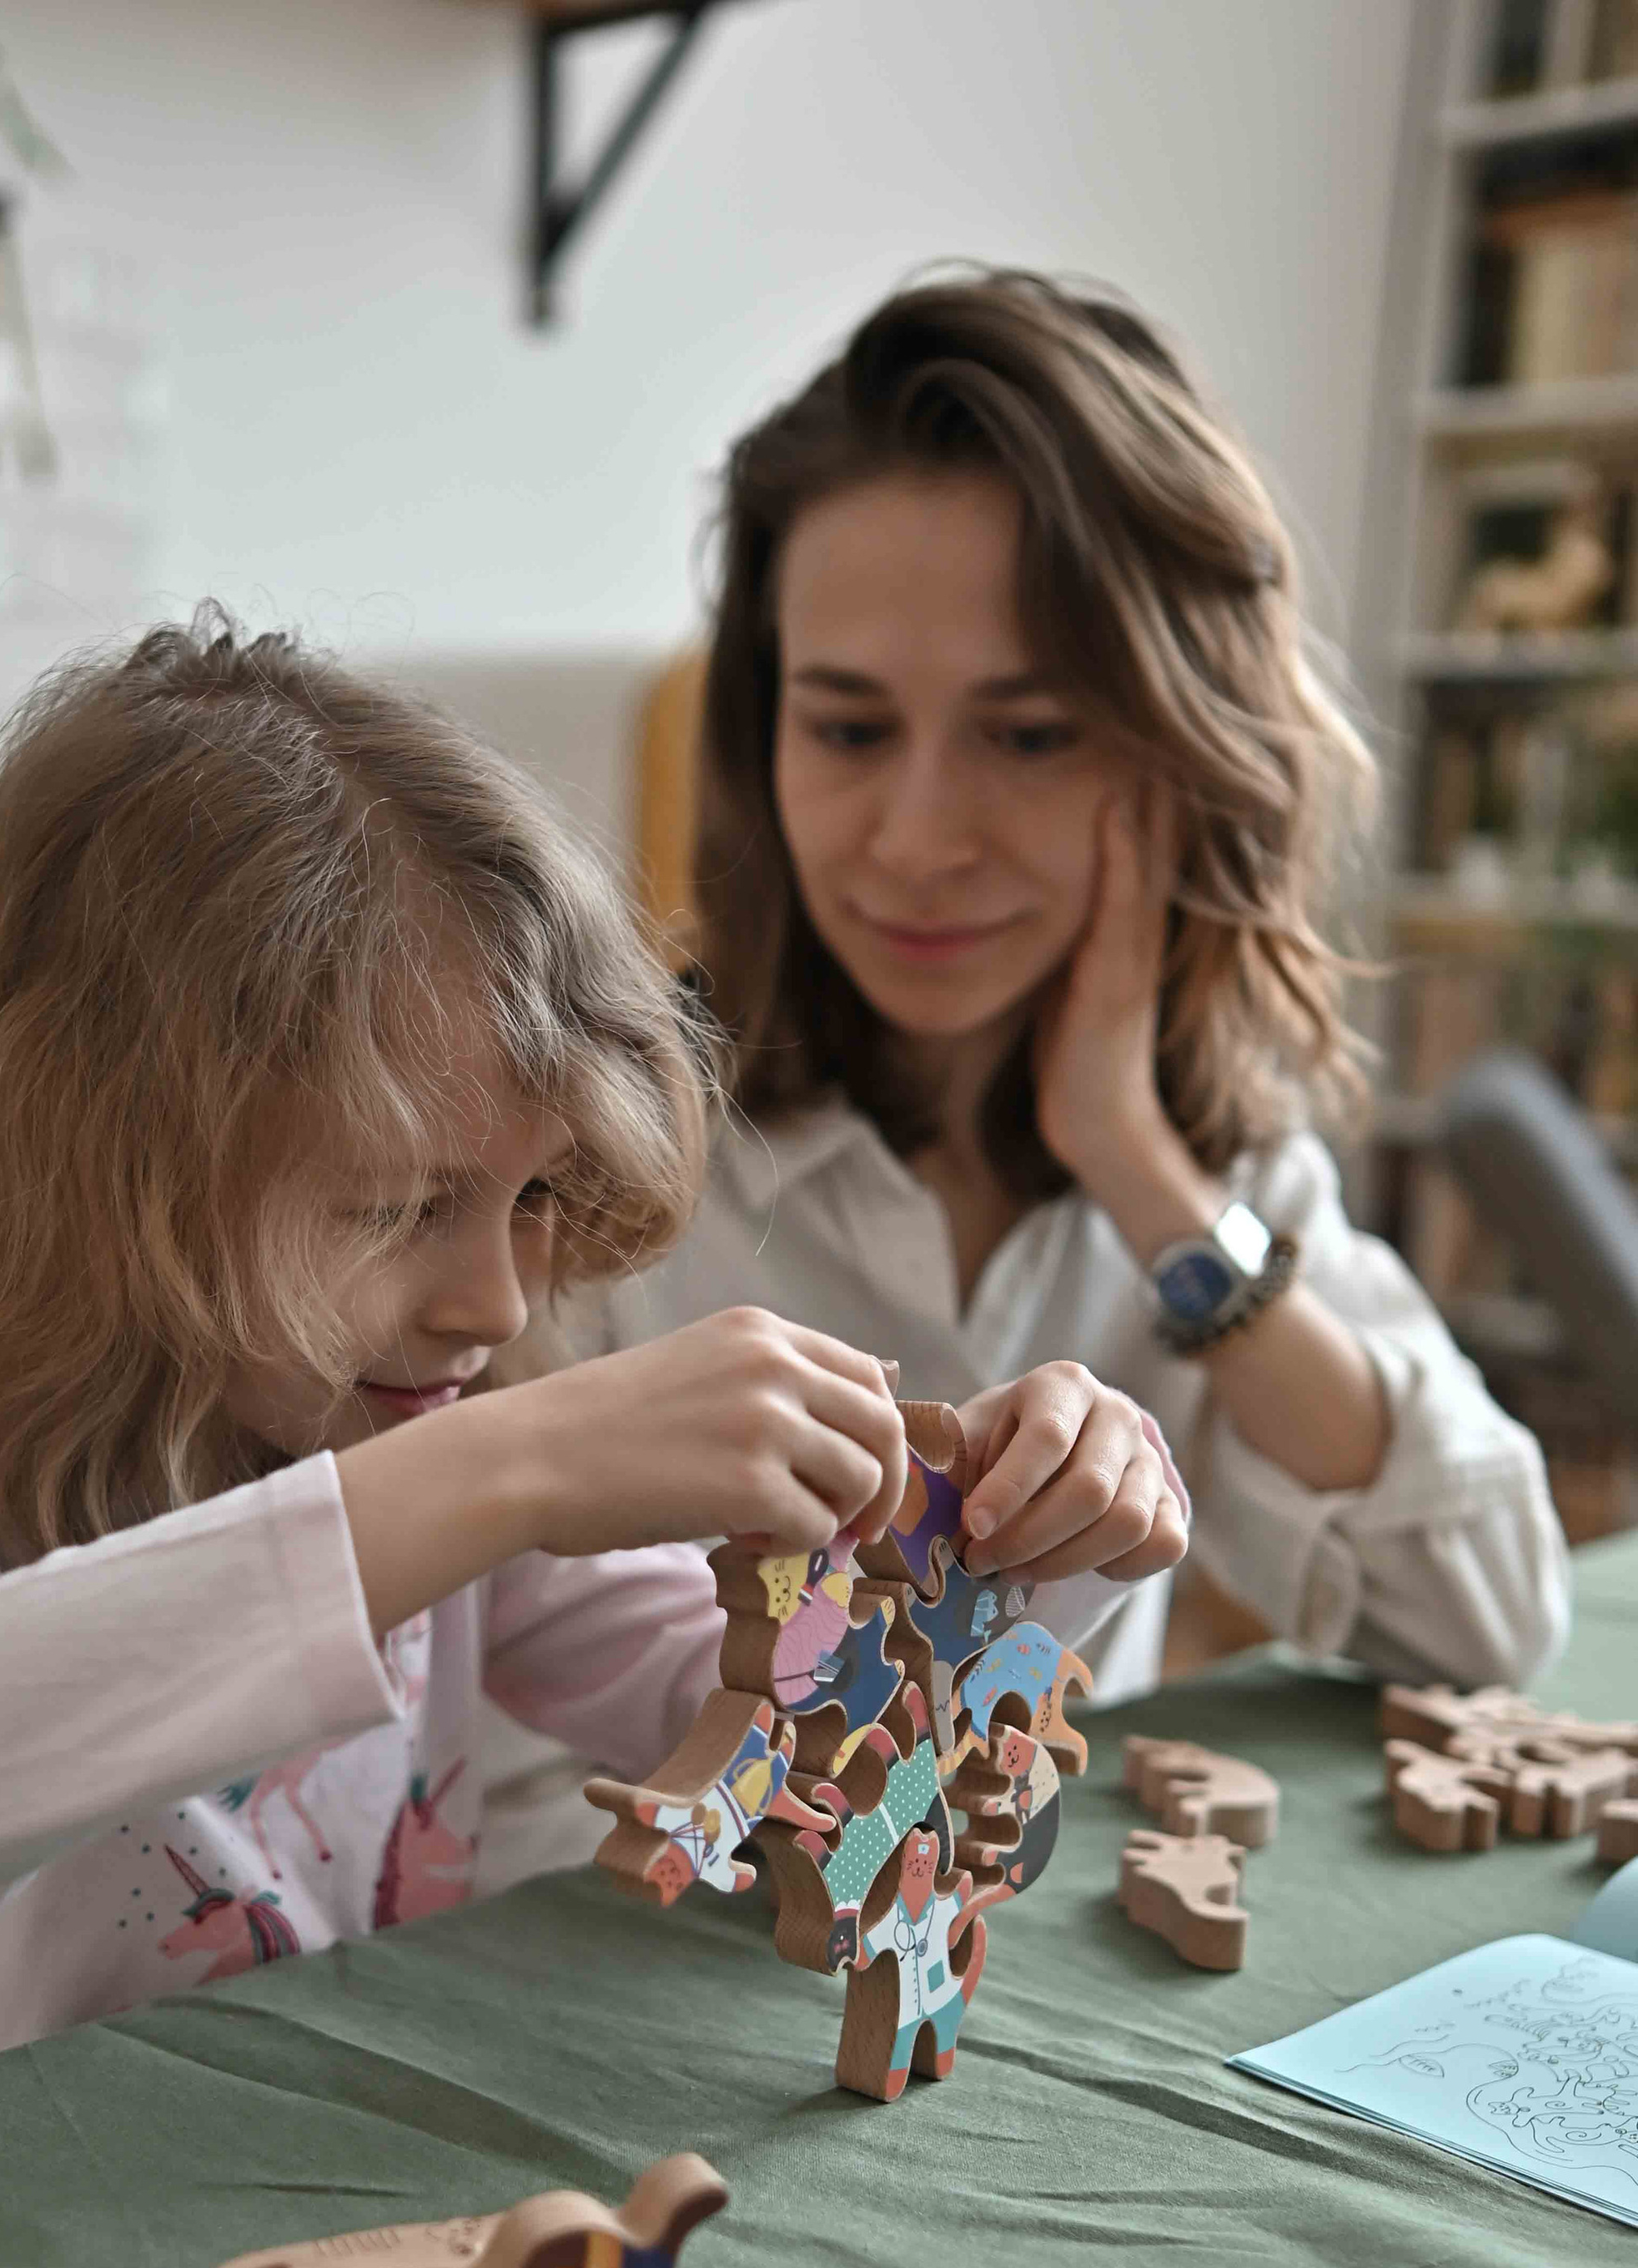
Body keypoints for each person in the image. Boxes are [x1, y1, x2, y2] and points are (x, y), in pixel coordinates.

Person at [0, 616, 1186, 2132]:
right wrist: (488, 1477)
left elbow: (804, 1777)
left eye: (534, 1196)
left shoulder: (433, 1419)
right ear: (111, 1176)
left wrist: (1014, 1560)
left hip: (287, 2185)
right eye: (401, 1206)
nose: (495, 1296)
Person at [593, 270, 1568, 1705]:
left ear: (1182, 762)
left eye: (1032, 736)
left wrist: (1135, 1160)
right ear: (764, 735)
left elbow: (1492, 1614)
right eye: (850, 727)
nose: (919, 841)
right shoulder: (597, 1150)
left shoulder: (1212, 1175)